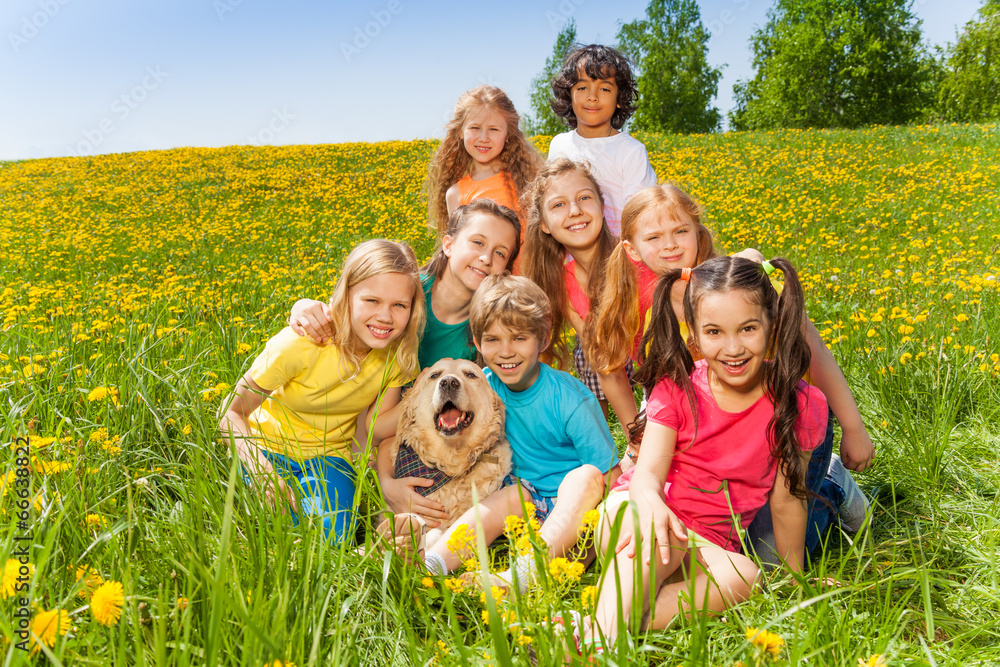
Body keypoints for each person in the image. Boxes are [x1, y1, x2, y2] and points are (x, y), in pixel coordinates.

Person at [587, 184, 873, 560]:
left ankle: (832, 486)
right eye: (654, 237)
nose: (670, 245)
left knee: (769, 558)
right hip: (715, 449)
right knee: (709, 545)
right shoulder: (643, 309)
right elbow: (628, 382)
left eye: (681, 231)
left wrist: (854, 428)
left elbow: (814, 352)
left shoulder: (740, 282)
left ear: (699, 232)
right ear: (632, 250)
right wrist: (638, 444)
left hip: (786, 428)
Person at [586, 256, 826, 654]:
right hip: (638, 512)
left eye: (748, 329)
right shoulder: (678, 388)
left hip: (707, 543)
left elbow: (786, 502)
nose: (733, 348)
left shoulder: (799, 403)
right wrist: (653, 506)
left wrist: (795, 579)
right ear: (694, 335)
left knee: (747, 576)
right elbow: (646, 477)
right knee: (660, 533)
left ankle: (595, 622)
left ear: (773, 326)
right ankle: (598, 646)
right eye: (715, 332)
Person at [286, 200, 522, 523]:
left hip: (411, 436)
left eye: (500, 253)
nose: (486, 257)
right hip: (352, 430)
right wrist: (303, 307)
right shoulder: (406, 293)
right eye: (478, 242)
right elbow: (347, 309)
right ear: (449, 244)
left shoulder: (484, 332)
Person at [389, 274, 620, 590]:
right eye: (493, 340)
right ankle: (431, 566)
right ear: (478, 342)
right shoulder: (482, 386)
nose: (506, 352)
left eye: (519, 338)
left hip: (574, 510)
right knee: (511, 495)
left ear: (544, 338)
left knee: (584, 479)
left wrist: (587, 520)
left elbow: (610, 475)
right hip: (522, 501)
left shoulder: (571, 398)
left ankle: (521, 577)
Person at [218, 240, 425, 543]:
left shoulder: (397, 357)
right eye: (371, 300)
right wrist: (260, 468)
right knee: (276, 532)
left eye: (399, 305)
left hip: (328, 459)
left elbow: (376, 430)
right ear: (347, 295)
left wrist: (428, 400)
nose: (385, 316)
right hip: (266, 450)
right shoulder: (300, 344)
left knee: (335, 538)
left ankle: (358, 546)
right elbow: (230, 412)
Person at [520, 157, 625, 418]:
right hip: (614, 365)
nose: (575, 210)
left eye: (585, 198)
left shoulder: (632, 259)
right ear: (544, 224)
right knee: (590, 352)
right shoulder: (563, 285)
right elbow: (605, 364)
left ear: (602, 207)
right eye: (559, 204)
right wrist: (634, 434)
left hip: (660, 361)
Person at [546, 44, 657, 236]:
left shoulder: (631, 151)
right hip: (568, 254)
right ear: (569, 95)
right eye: (582, 87)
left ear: (619, 98)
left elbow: (641, 216)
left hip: (616, 255)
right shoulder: (559, 145)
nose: (592, 97)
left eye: (604, 89)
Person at [425, 85, 543, 240]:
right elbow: (461, 249)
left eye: (494, 129)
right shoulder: (456, 194)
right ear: (460, 132)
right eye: (475, 127)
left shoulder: (529, 179)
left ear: (508, 133)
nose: (484, 138)